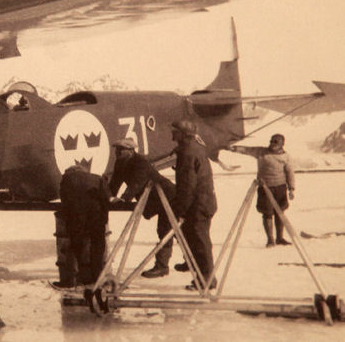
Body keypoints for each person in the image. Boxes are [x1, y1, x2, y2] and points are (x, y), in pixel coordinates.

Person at [107, 137, 177, 278]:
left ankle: (163, 266)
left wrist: (124, 198)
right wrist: (108, 197)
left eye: (121, 150)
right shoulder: (121, 163)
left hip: (168, 197)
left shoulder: (141, 162)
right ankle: (187, 262)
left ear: (131, 151)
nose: (117, 153)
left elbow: (137, 183)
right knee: (171, 231)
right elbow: (115, 182)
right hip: (154, 200)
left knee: (167, 231)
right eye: (117, 150)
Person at [171, 120, 218, 290]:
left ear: (183, 134)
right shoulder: (191, 148)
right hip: (201, 201)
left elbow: (187, 185)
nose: (171, 133)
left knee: (199, 240)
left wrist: (180, 209)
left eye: (174, 131)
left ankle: (206, 279)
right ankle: (193, 264)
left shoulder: (188, 153)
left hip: (198, 203)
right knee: (190, 236)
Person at [227, 134, 296, 247]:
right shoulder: (261, 152)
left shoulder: (286, 157)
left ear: (281, 144)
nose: (272, 143)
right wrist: (233, 148)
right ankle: (270, 240)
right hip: (265, 187)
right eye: (271, 141)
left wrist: (291, 189)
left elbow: (290, 173)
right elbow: (247, 150)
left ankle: (280, 238)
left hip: (280, 187)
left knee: (280, 212)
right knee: (267, 213)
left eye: (275, 142)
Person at [58, 162, 109, 296]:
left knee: (77, 247)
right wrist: (104, 217)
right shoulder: (97, 178)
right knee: (98, 246)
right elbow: (105, 198)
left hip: (77, 219)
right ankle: (97, 277)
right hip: (96, 217)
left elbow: (64, 199)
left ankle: (80, 278)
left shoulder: (67, 179)